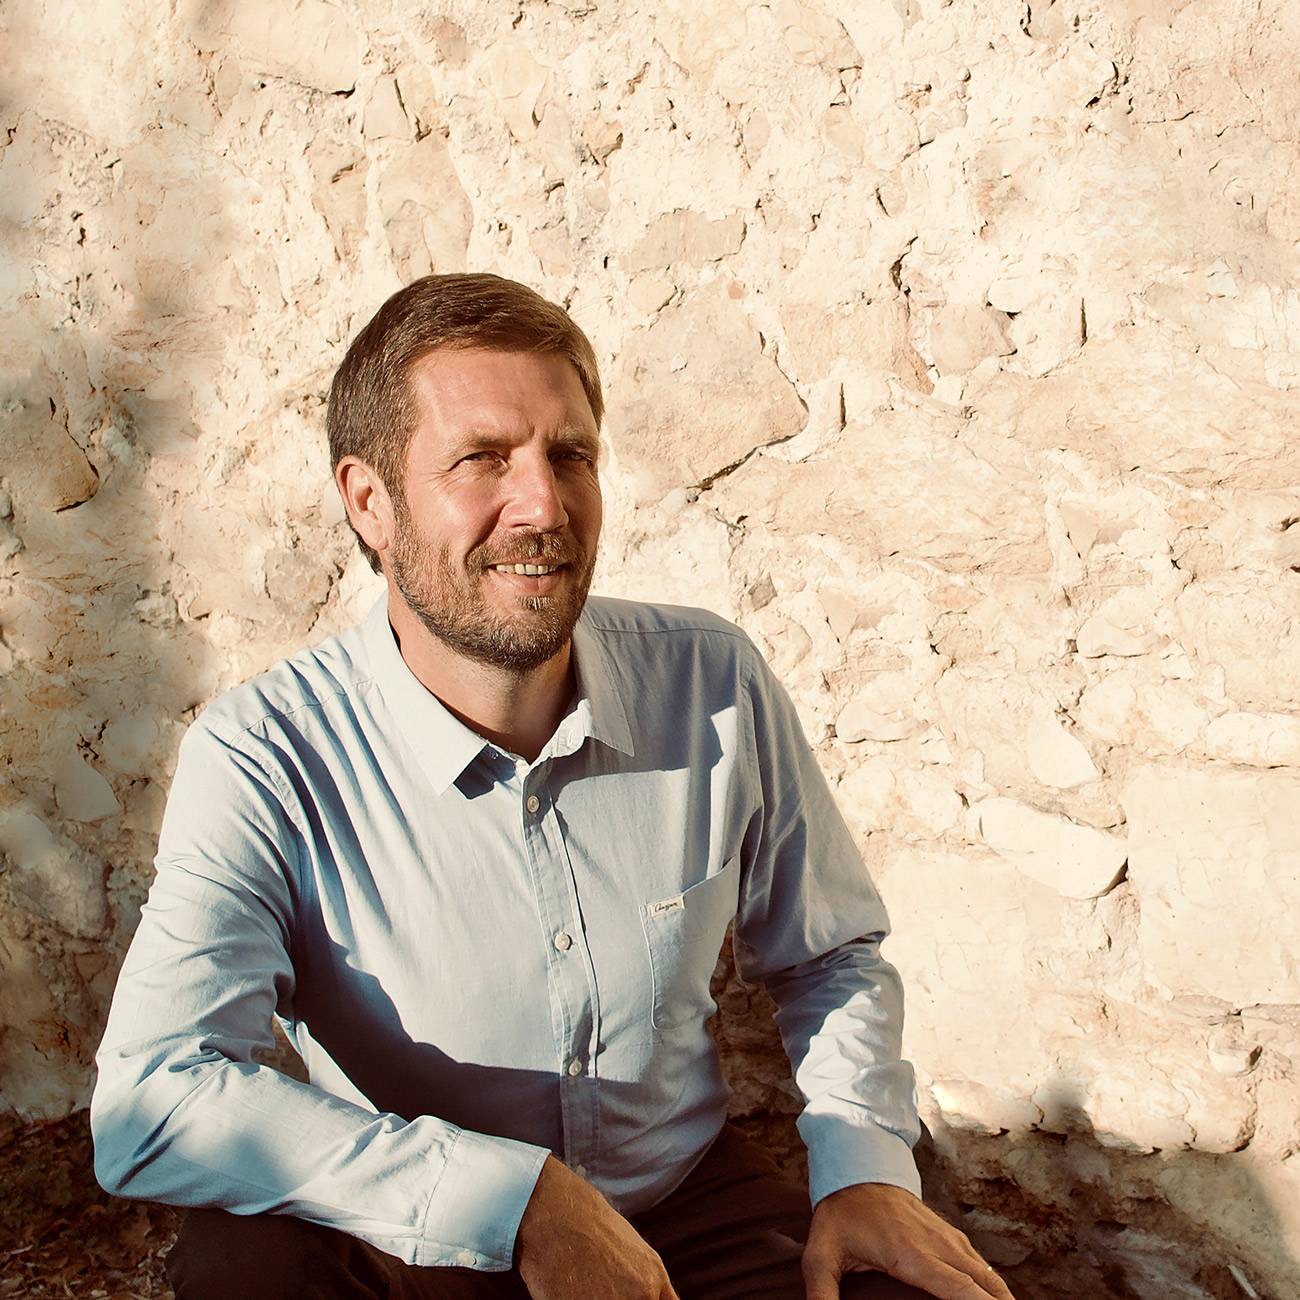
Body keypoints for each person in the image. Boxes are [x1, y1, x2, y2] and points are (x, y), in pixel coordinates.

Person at [91, 274, 1014, 1300]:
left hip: (680, 1216)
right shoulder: (267, 756)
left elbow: (830, 956)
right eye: (482, 458)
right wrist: (515, 1199)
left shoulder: (710, 683)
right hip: (415, 1233)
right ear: (369, 501)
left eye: (569, 455)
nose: (542, 504)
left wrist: (864, 1169)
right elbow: (155, 1097)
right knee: (244, 1268)